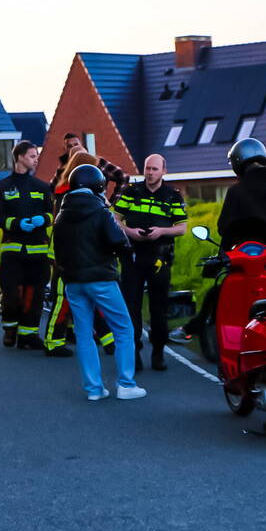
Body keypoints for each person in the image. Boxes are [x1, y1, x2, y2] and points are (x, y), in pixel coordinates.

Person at [53, 164, 146, 401]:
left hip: (73, 281)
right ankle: (126, 384)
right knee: (124, 328)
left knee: (84, 334)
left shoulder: (61, 215)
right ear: (99, 186)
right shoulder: (100, 211)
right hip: (101, 279)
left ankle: (94, 389)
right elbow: (119, 241)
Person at [183, 138, 266, 344]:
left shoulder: (236, 191)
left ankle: (194, 328)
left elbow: (224, 228)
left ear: (238, 162)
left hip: (242, 258)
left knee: (218, 292)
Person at [113, 154, 187, 371]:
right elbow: (115, 219)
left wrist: (162, 231)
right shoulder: (131, 191)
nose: (150, 173)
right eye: (147, 169)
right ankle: (134, 353)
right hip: (133, 256)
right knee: (131, 307)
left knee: (159, 308)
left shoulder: (172, 195)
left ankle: (158, 353)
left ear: (164, 171)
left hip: (160, 257)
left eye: (155, 169)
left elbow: (181, 227)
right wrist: (130, 232)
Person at [0, 140, 54, 351]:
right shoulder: (2, 187)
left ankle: (29, 334)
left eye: (36, 156)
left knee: (34, 295)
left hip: (38, 250)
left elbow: (51, 214)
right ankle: (10, 329)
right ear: (19, 157)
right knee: (12, 294)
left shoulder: (42, 187)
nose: (36, 159)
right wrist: (17, 224)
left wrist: (42, 220)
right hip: (13, 249)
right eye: (32, 156)